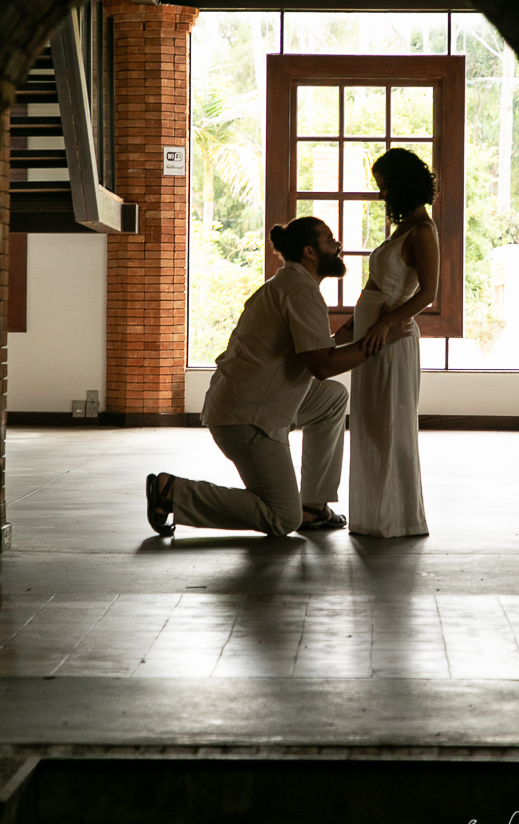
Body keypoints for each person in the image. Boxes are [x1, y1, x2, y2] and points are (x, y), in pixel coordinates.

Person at [145, 216, 412, 538]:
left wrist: (352, 334)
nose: (337, 247)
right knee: (283, 518)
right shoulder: (300, 291)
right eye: (330, 242)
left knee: (331, 398)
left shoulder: (290, 284)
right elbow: (321, 366)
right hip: (248, 418)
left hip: (252, 400)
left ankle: (312, 505)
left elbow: (310, 348)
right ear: (310, 252)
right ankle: (174, 491)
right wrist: (382, 338)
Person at [346, 148, 440, 538]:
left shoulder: (422, 232)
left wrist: (385, 323)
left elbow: (427, 294)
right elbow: (375, 287)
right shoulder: (401, 231)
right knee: (369, 425)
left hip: (391, 339)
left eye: (385, 188)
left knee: (390, 425)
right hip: (371, 336)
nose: (381, 196)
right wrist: (348, 328)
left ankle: (398, 519)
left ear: (402, 186)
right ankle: (372, 515)